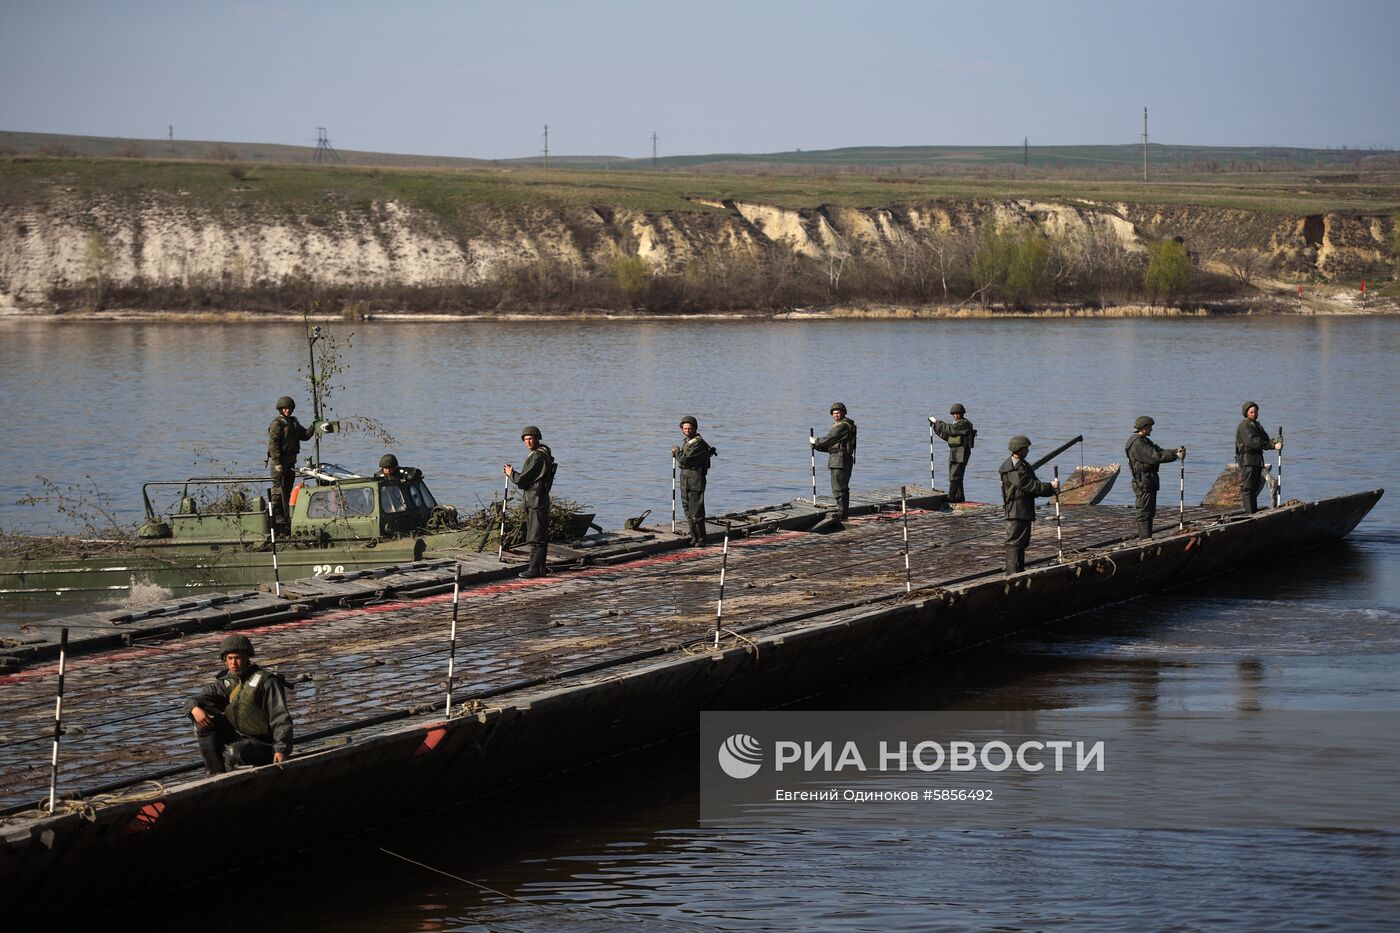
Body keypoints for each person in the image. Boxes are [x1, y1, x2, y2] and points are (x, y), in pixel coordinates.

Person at [188, 634, 292, 775]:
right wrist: (194, 708)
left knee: (234, 753)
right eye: (230, 659)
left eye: (237, 658)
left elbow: (280, 717)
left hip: (264, 744)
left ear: (246, 658)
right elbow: (194, 699)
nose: (233, 663)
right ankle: (214, 775)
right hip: (238, 736)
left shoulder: (266, 681)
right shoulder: (225, 683)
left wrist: (281, 749)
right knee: (202, 718)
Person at [998, 435, 1058, 575]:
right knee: (1014, 542)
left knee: (1022, 541)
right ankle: (1012, 573)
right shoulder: (1013, 468)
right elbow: (1029, 486)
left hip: (1023, 509)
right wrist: (1050, 486)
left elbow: (1032, 485)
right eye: (1026, 448)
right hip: (1016, 510)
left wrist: (1048, 488)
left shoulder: (1022, 464)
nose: (1028, 451)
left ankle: (1019, 570)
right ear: (1019, 449)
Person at [504, 426, 556, 578]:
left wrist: (510, 473)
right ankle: (540, 569)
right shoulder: (541, 453)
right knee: (538, 536)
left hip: (536, 500)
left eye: (530, 438)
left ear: (538, 438)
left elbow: (522, 480)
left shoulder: (537, 457)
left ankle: (534, 570)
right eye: (525, 439)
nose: (528, 441)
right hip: (537, 498)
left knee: (535, 537)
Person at [1125, 416, 1185, 539]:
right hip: (1143, 482)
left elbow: (1159, 451)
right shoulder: (1137, 443)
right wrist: (1176, 456)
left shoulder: (1144, 441)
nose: (1151, 429)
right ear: (1144, 428)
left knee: (1150, 512)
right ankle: (1145, 540)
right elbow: (1155, 457)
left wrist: (1175, 451)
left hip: (1148, 481)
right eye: (1150, 427)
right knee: (1144, 512)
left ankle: (1147, 538)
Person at [267, 396, 313, 527]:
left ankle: (285, 514)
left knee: (287, 488)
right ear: (280, 410)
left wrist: (314, 426)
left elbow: (304, 435)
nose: (287, 410)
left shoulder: (293, 422)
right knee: (278, 488)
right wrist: (277, 463)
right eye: (285, 408)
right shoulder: (277, 424)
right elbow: (273, 444)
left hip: (291, 461)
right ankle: (276, 514)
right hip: (280, 462)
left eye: (289, 408)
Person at [672, 416, 717, 546]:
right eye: (685, 428)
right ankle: (694, 538)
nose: (687, 430)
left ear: (695, 428)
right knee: (687, 510)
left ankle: (701, 538)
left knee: (696, 511)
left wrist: (677, 451)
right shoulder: (688, 441)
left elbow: (686, 460)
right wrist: (678, 453)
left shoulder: (698, 443)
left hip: (696, 480)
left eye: (689, 428)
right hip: (685, 480)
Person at [811, 402, 857, 518]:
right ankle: (842, 513)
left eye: (838, 412)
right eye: (834, 413)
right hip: (840, 459)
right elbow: (833, 446)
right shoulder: (844, 425)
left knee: (839, 488)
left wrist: (815, 441)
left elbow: (831, 438)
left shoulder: (842, 426)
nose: (836, 415)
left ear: (843, 412)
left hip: (839, 461)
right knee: (841, 487)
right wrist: (817, 447)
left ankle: (842, 515)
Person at [1236, 401, 1282, 514]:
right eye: (1251, 412)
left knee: (1255, 488)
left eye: (1256, 412)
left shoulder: (1257, 425)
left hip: (1257, 461)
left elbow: (1265, 440)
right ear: (1246, 413)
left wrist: (1276, 441)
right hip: (1247, 461)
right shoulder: (1244, 426)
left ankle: (1253, 511)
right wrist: (1272, 445)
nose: (1254, 414)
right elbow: (1253, 442)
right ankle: (1249, 513)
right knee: (1248, 488)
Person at [930, 403, 976, 503]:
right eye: (954, 414)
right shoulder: (955, 425)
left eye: (958, 413)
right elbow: (946, 435)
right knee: (956, 475)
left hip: (962, 452)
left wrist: (937, 422)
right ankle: (959, 497)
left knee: (955, 474)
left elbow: (950, 430)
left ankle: (951, 497)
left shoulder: (964, 424)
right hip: (955, 452)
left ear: (962, 414)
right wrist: (935, 427)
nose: (956, 416)